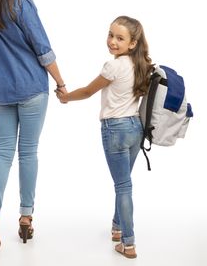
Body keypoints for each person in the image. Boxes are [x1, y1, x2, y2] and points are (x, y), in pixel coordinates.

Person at [0, 0, 67, 252]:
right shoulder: (22, 2)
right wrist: (61, 83)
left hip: (1, 89)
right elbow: (43, 49)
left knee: (2, 153)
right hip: (31, 88)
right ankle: (26, 219)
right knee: (28, 153)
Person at [56, 16, 153, 259]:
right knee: (124, 183)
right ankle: (117, 227)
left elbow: (88, 91)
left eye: (120, 38)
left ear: (132, 43)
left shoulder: (114, 66)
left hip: (115, 129)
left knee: (123, 186)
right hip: (135, 129)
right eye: (110, 35)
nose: (112, 41)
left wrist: (65, 97)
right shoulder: (140, 64)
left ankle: (128, 244)